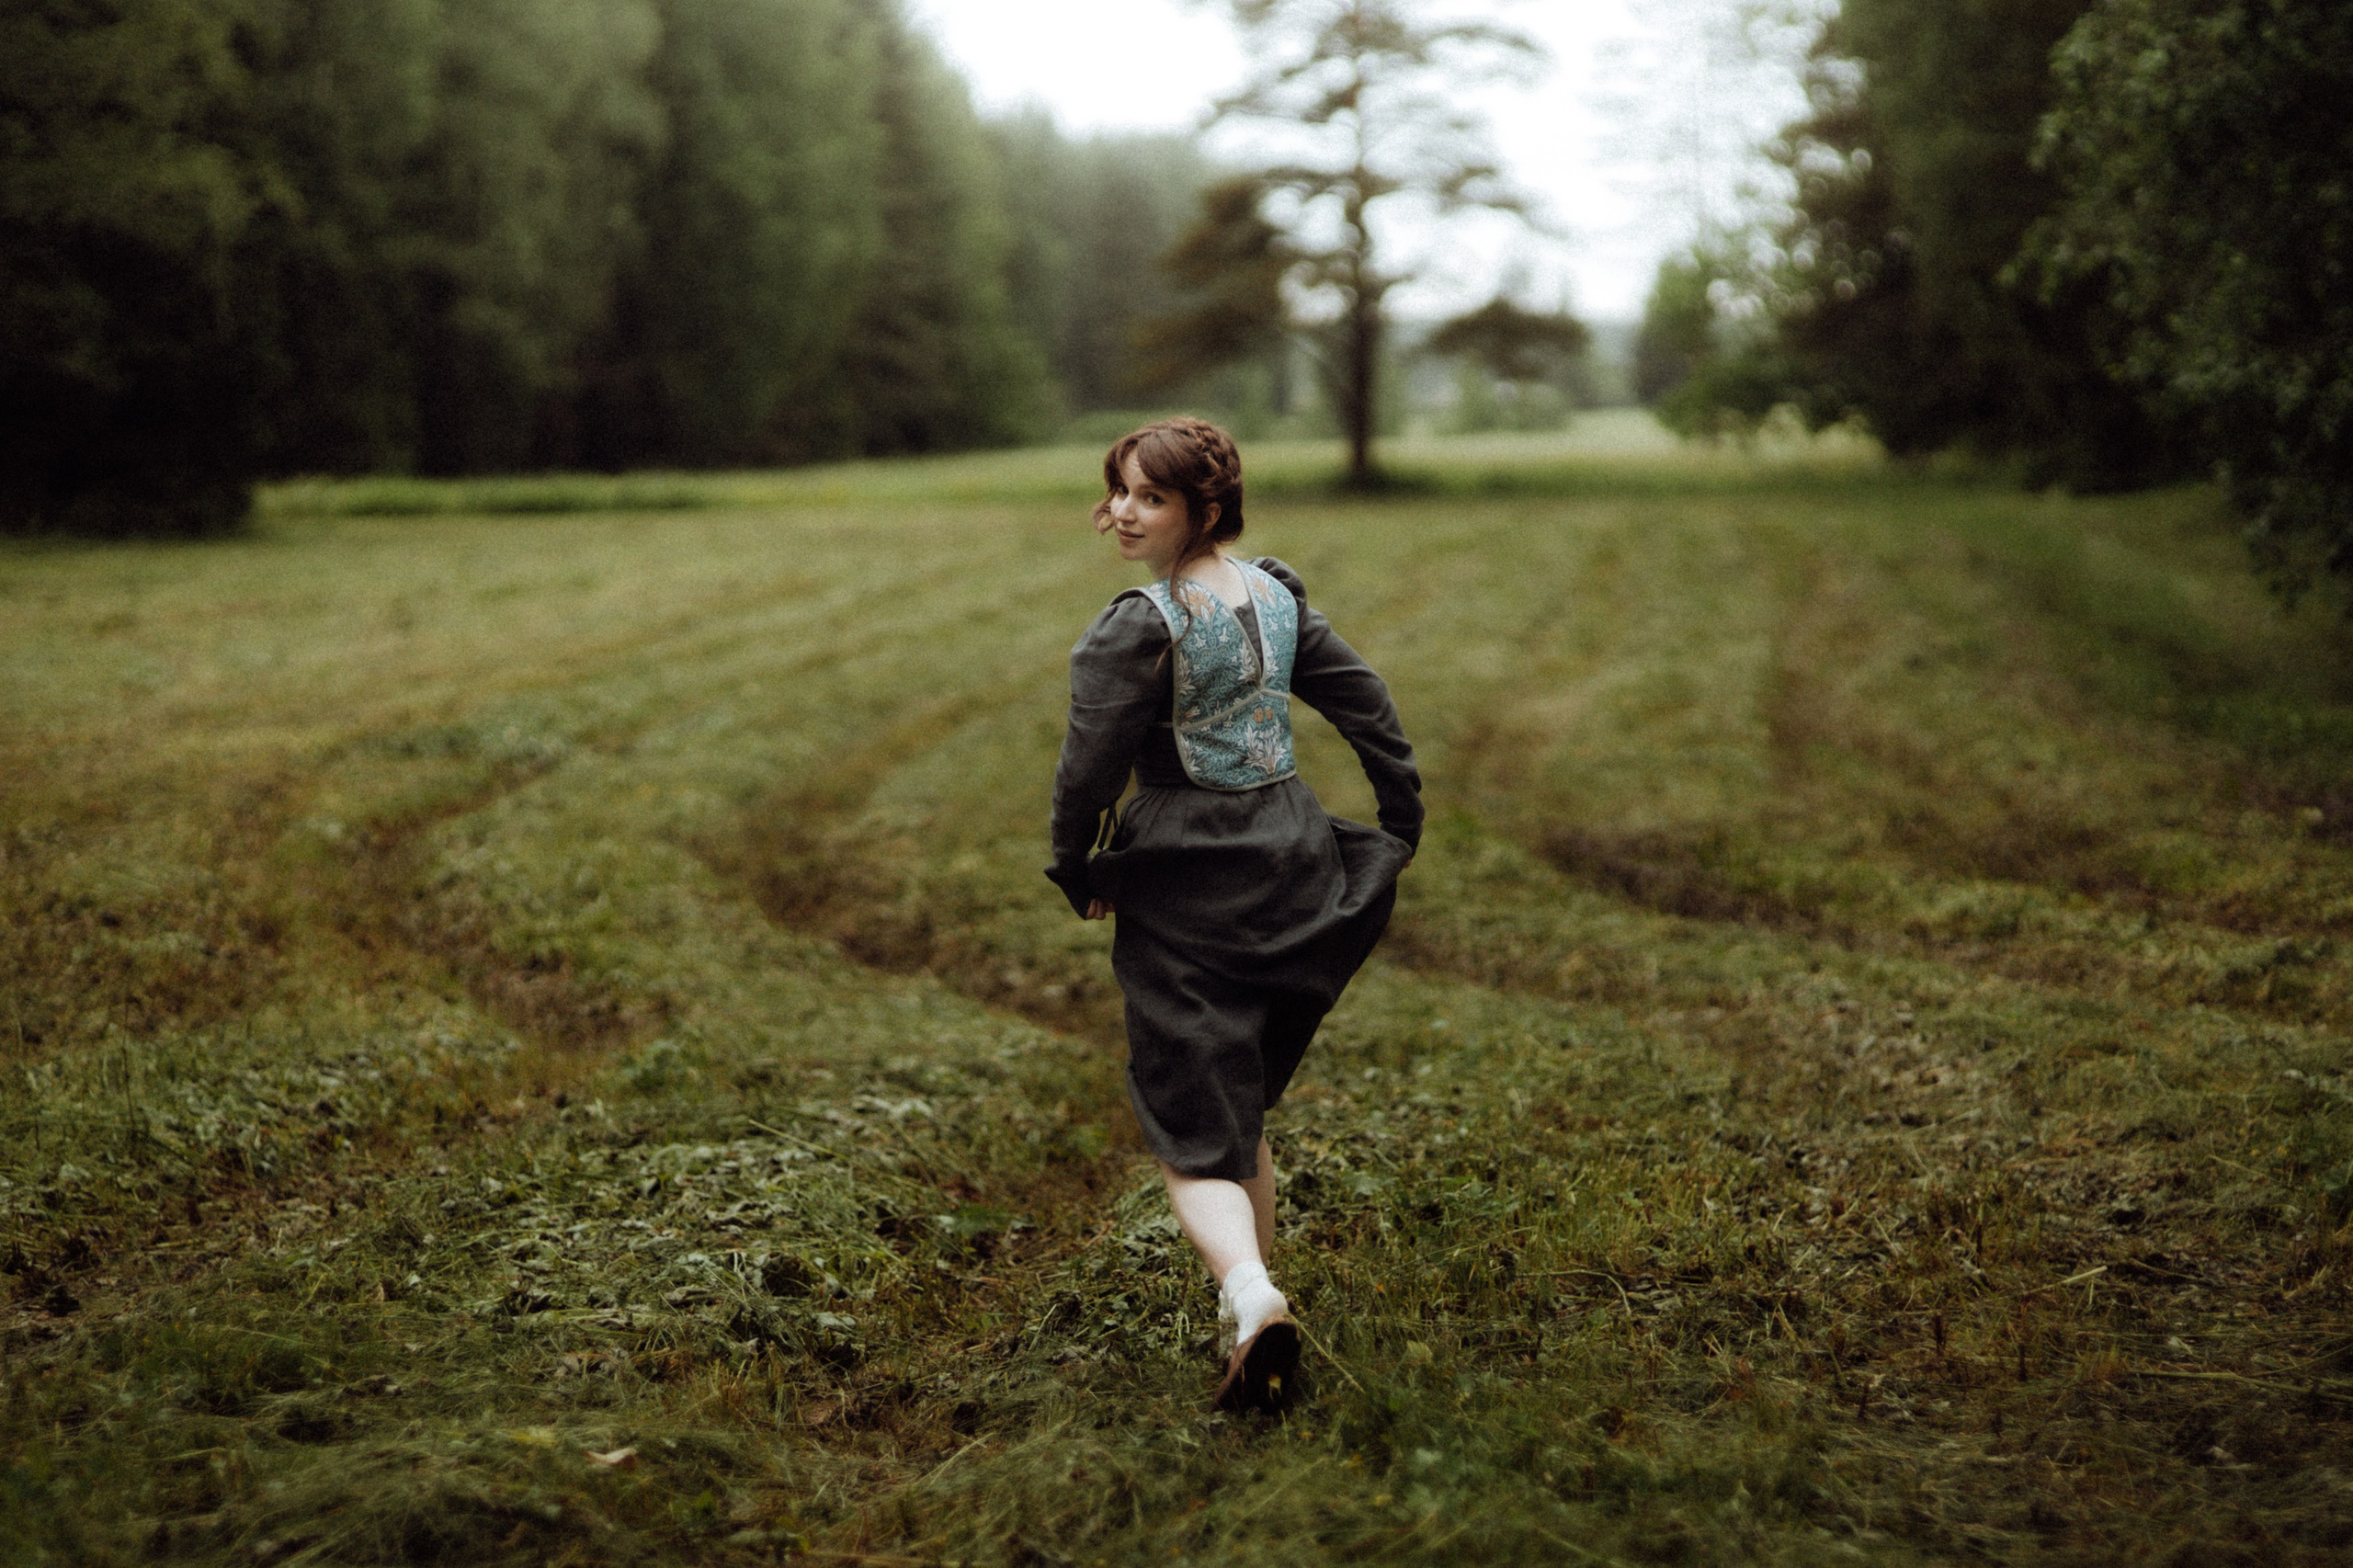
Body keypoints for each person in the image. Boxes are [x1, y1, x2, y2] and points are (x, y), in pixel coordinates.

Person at [1046, 417, 1422, 1412]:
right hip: (1291, 855)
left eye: (1151, 497)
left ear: (1202, 509)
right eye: (1119, 489)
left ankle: (1251, 1291)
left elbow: (1085, 768)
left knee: (1188, 1121)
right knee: (1236, 1097)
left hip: (1186, 876)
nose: (1125, 511)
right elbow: (1364, 701)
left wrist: (1070, 861)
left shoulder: (1138, 625)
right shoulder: (1274, 592)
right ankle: (1247, 1322)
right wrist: (1398, 810)